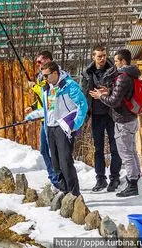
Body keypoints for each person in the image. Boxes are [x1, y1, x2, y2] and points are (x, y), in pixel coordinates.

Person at [30, 61, 88, 196]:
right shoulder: (47, 87)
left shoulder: (68, 85)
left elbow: (82, 105)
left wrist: (75, 124)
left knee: (65, 161)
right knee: (55, 162)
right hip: (49, 126)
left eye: (46, 76)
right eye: (42, 76)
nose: (43, 79)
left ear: (55, 73)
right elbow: (47, 108)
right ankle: (64, 189)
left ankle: (74, 193)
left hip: (63, 127)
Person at [90, 49, 142, 197]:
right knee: (131, 151)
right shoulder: (132, 74)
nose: (115, 63)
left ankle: (132, 184)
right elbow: (122, 94)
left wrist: (101, 96)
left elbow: (114, 102)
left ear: (123, 61)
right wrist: (109, 91)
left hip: (123, 120)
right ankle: (136, 179)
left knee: (125, 153)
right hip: (131, 118)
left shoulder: (122, 77)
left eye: (117, 60)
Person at [81, 46, 121, 192]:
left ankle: (115, 178)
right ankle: (100, 179)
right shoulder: (87, 73)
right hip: (96, 115)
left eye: (104, 55)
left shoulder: (114, 71)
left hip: (112, 114)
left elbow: (121, 89)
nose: (102, 58)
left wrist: (108, 91)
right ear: (93, 57)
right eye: (99, 56)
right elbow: (82, 93)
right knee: (98, 149)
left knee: (115, 148)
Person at [24, 51, 59, 188]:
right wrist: (33, 107)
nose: (38, 64)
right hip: (43, 117)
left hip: (52, 119)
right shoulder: (40, 77)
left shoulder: (53, 77)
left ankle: (58, 178)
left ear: (48, 60)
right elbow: (42, 100)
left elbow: (47, 93)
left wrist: (34, 87)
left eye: (41, 61)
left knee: (52, 151)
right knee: (44, 150)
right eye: (37, 62)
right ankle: (53, 177)